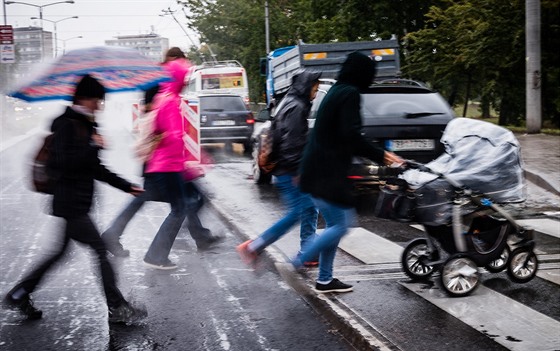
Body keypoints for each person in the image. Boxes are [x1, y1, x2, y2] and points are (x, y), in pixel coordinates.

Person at [4, 75, 147, 323]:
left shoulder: (86, 125)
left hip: (77, 202)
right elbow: (61, 163)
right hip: (70, 203)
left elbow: (94, 168)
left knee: (59, 253)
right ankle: (117, 306)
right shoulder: (67, 125)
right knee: (101, 251)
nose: (100, 106)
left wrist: (127, 186)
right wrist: (92, 146)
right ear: (85, 98)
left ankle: (19, 294)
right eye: (97, 101)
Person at [294, 52, 404, 293]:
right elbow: (351, 134)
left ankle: (324, 279)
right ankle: (299, 261)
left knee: (334, 225)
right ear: (362, 73)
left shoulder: (336, 91)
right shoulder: (350, 94)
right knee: (342, 225)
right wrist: (382, 155)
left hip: (319, 166)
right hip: (328, 170)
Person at [102, 87, 220, 257]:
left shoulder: (160, 104)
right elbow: (157, 140)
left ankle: (113, 234)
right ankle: (174, 246)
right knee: (183, 201)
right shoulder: (158, 108)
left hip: (163, 167)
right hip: (162, 167)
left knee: (180, 200)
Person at [236, 69, 321, 267]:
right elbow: (291, 142)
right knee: (298, 212)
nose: (316, 92)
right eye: (315, 88)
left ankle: (307, 251)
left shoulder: (292, 103)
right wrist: (298, 171)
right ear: (306, 86)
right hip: (290, 170)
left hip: (288, 168)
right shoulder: (297, 107)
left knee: (308, 209)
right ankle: (253, 247)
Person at [139, 57, 196, 270]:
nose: (187, 82)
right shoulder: (171, 100)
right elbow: (173, 136)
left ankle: (156, 254)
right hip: (170, 165)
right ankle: (156, 255)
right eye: (185, 78)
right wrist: (186, 162)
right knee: (179, 209)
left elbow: (158, 131)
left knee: (179, 207)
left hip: (163, 164)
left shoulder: (161, 98)